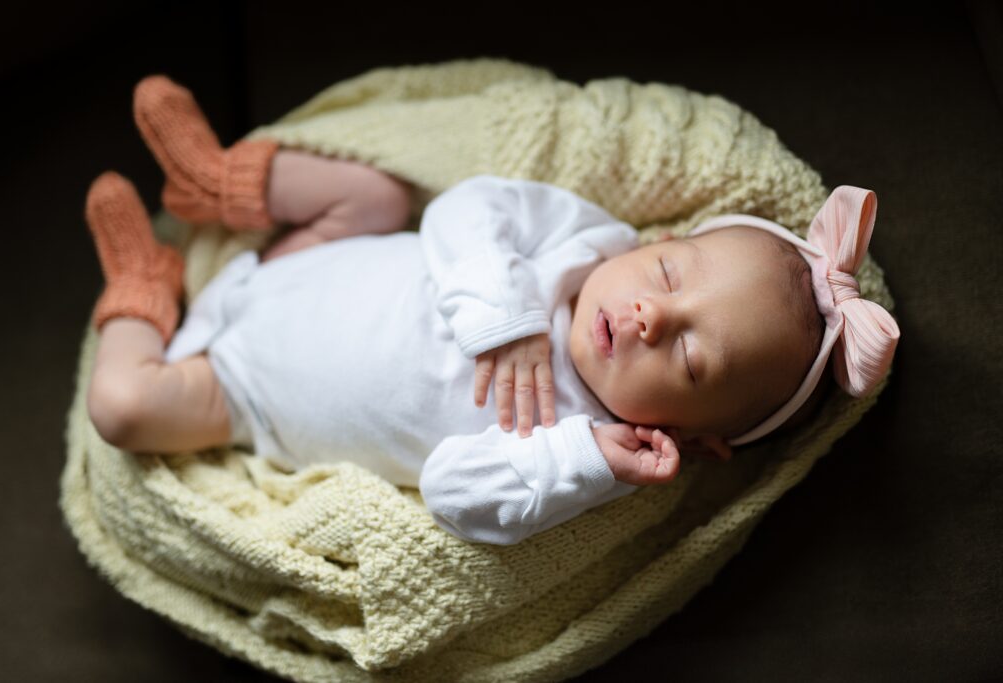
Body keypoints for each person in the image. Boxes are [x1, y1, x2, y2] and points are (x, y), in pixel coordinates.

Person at [84, 76, 899, 544]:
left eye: (689, 360)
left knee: (122, 408)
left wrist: (582, 464)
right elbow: (464, 207)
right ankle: (218, 182)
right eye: (667, 271)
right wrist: (505, 317)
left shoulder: (581, 447)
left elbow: (451, 492)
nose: (653, 315)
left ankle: (141, 292)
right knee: (377, 193)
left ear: (692, 439)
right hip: (305, 256)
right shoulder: (586, 241)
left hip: (242, 392)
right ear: (660, 239)